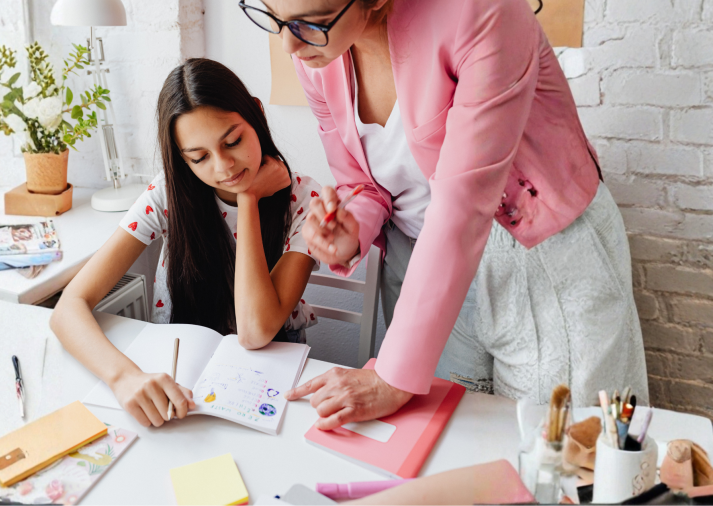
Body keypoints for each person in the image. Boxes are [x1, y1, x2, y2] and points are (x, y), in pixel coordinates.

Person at [237, 0, 648, 429]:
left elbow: (463, 200)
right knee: (452, 451)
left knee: (560, 454)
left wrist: (393, 375)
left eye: (311, 23)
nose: (288, 44)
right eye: (275, 17)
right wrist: (351, 228)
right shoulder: (316, 53)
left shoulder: (482, 11)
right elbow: (362, 179)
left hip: (538, 258)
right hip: (418, 267)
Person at [50, 58, 322, 428]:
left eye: (233, 141)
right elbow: (69, 308)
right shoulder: (168, 193)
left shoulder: (305, 199)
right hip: (179, 370)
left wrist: (249, 199)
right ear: (182, 159)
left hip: (269, 377)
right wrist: (123, 377)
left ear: (256, 114)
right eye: (199, 157)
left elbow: (256, 331)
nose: (224, 167)